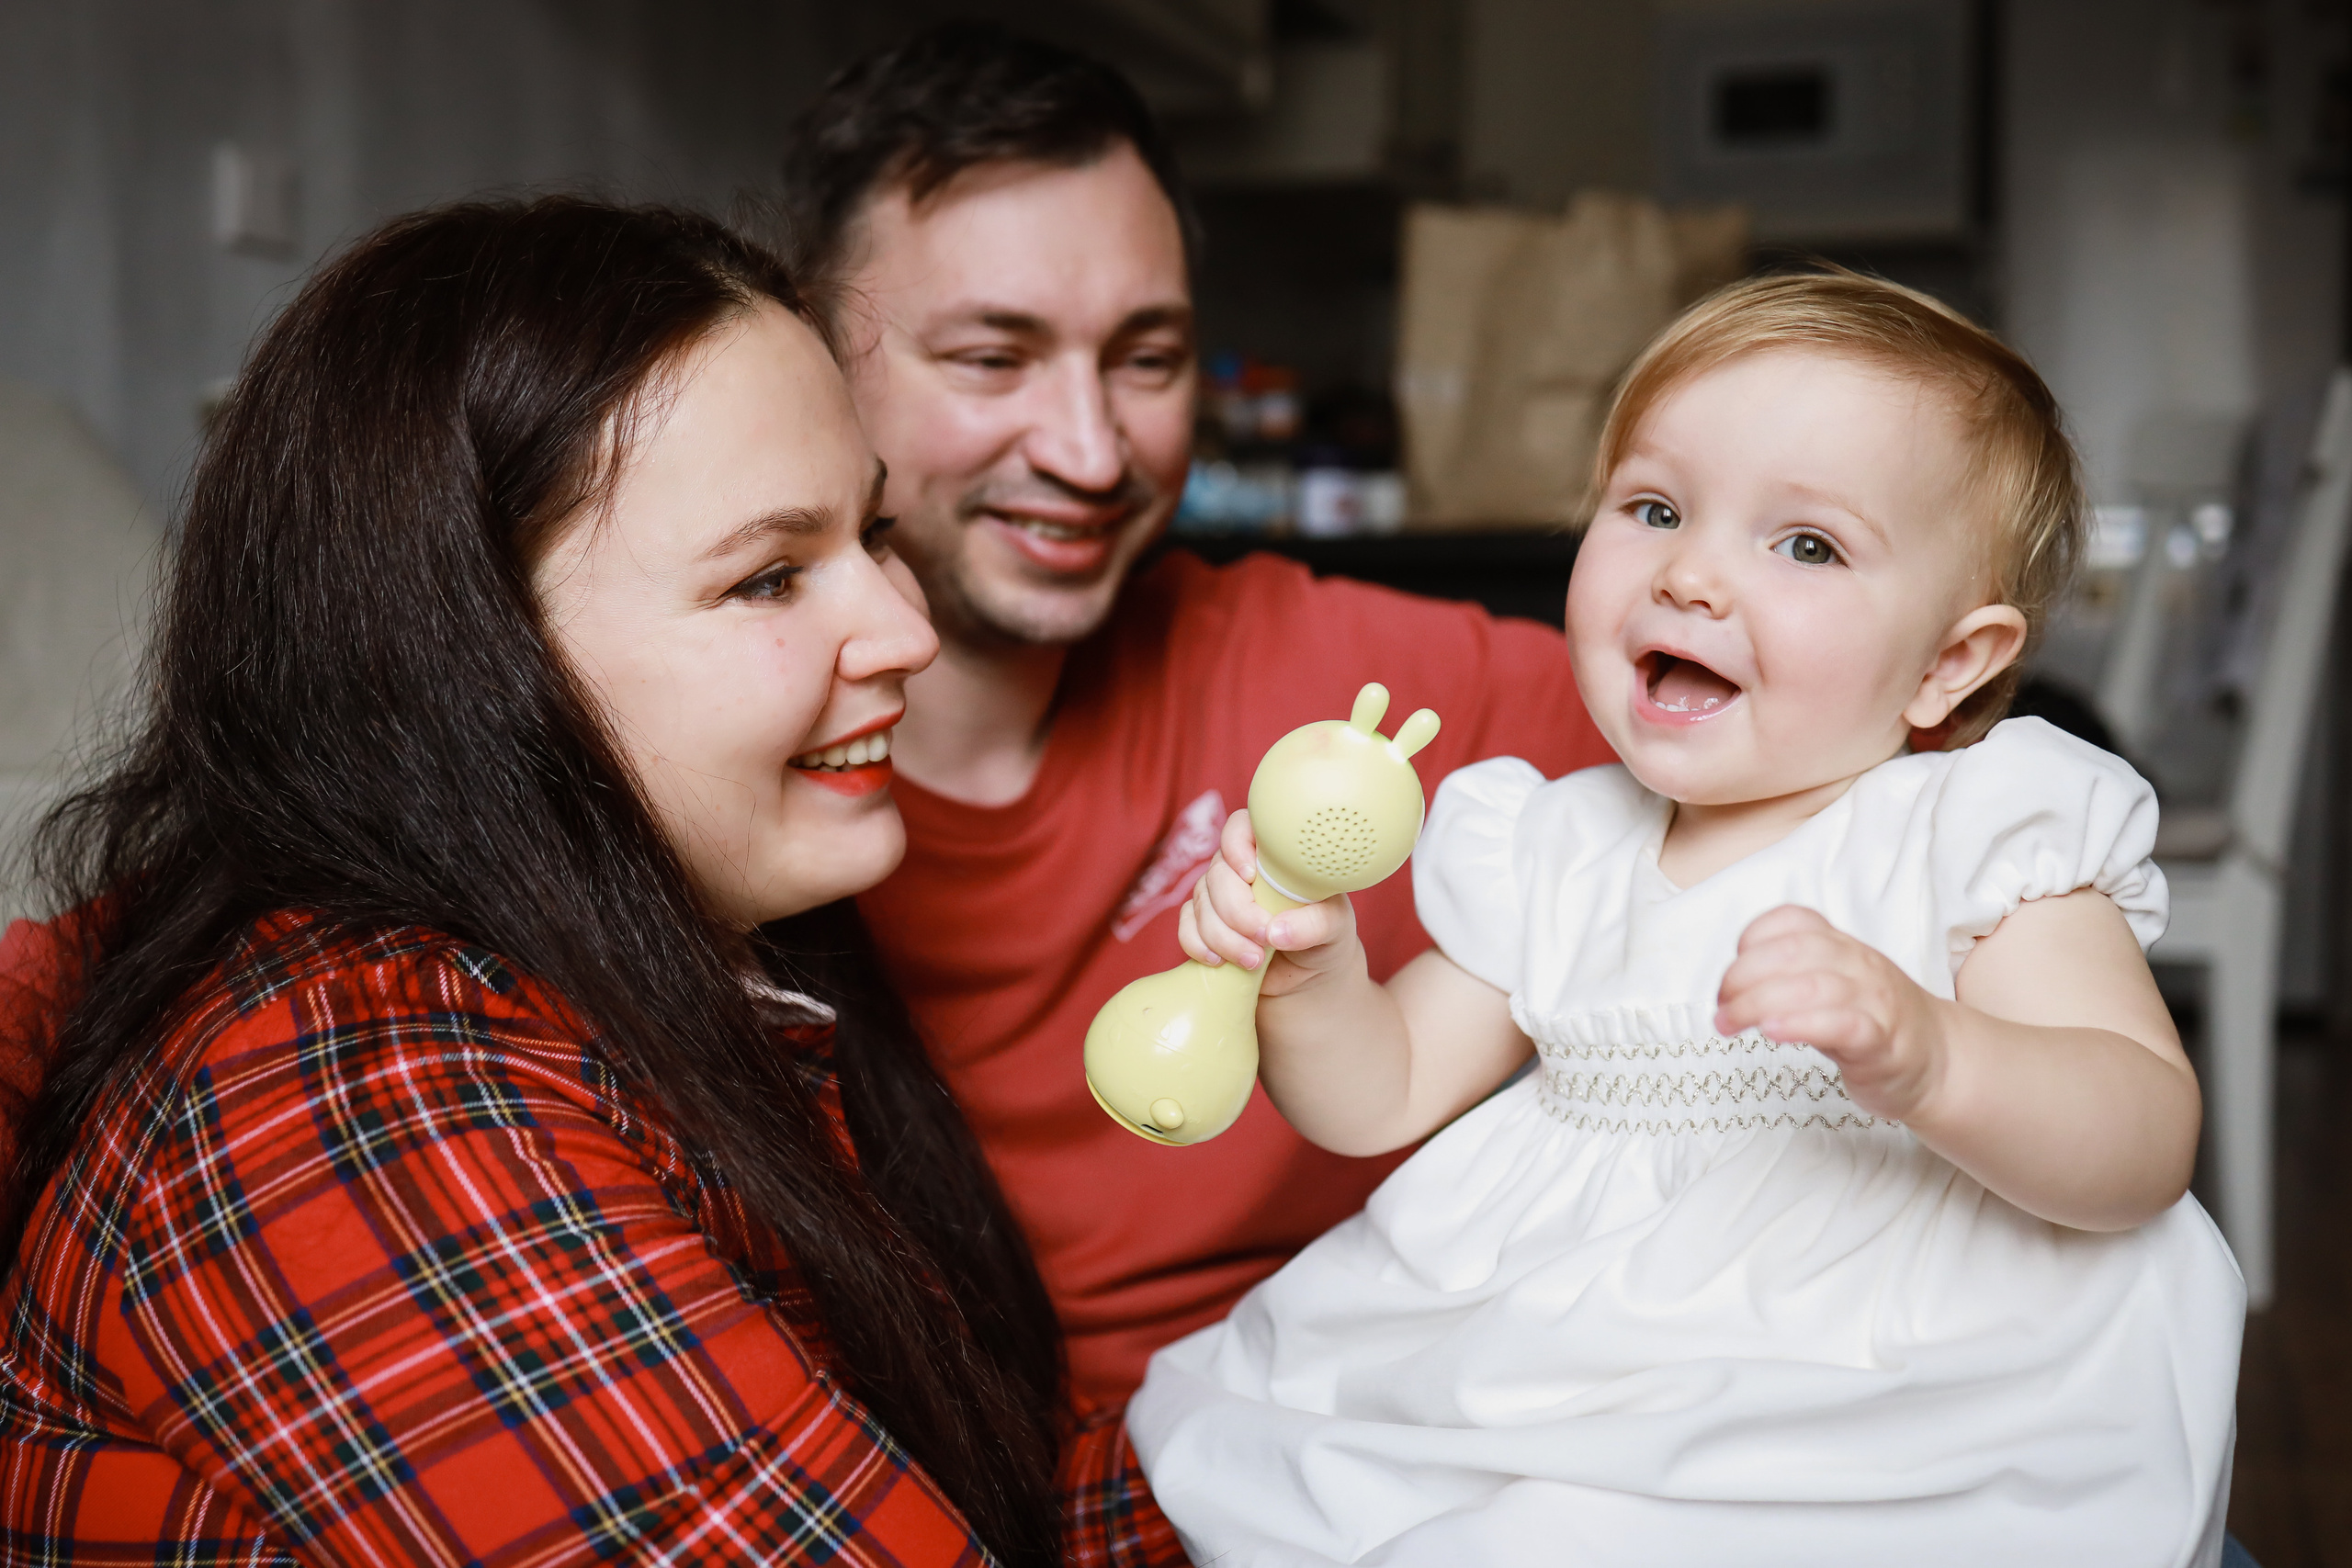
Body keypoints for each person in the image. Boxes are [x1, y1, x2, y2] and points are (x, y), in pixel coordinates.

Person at [0, 198, 1179, 1565]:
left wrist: (1362, 1387)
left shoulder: (677, 974)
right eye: (771, 578)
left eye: (877, 536)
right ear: (470, 665)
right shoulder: (356, 1110)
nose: (908, 630)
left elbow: (961, 1505)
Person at [1127, 273, 2246, 1565]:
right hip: (1572, 1382)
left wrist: (1936, 1054)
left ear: (1950, 663)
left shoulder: (1972, 836)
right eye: (1654, 508)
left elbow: (2142, 1139)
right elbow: (1378, 1099)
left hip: (1875, 1405)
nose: (1693, 575)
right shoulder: (1554, 845)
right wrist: (1309, 982)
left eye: (1807, 544)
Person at [778, 21, 1617, 1422]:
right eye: (994, 357)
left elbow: (1827, 760)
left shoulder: (1331, 671)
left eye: (1147, 358)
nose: (1091, 451)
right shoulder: (729, 807)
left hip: (1403, 1436)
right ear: (811, 359)